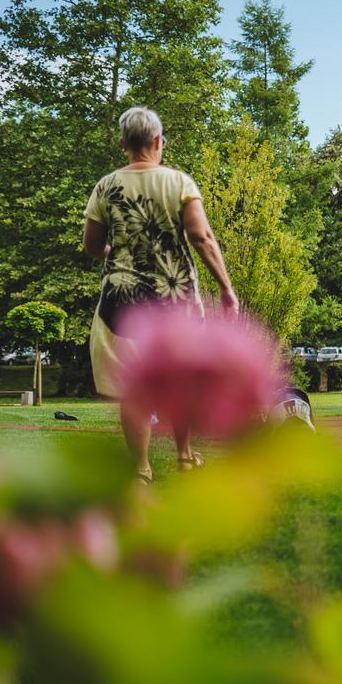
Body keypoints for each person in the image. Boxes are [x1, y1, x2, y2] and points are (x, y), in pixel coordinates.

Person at [82, 106, 238, 483]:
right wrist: (226, 288)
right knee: (182, 379)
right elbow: (201, 237)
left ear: (123, 143)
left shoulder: (105, 186)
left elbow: (91, 246)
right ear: (158, 141)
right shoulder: (179, 182)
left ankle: (141, 468)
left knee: (132, 385)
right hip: (175, 298)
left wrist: (120, 253)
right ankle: (184, 455)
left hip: (122, 300)